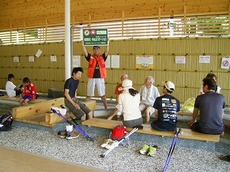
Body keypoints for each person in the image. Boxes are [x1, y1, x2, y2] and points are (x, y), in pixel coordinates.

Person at [82, 41, 109, 109]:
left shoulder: (102, 57)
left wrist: (108, 43)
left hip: (100, 78)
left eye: (97, 48)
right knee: (89, 94)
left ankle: (106, 107)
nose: (96, 50)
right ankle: (85, 108)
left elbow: (107, 51)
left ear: (99, 49)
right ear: (93, 50)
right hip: (92, 77)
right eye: (95, 48)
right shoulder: (90, 57)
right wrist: (83, 45)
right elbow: (85, 52)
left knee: (102, 94)